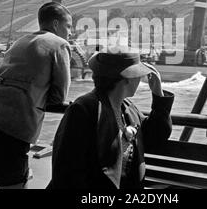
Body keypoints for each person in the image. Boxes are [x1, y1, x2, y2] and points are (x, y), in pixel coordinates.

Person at [47, 46, 174, 189]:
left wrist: (158, 95)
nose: (140, 79)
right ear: (127, 78)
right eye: (138, 74)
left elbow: (156, 136)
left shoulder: (127, 108)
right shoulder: (83, 109)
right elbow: (67, 173)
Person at [0, 2, 72, 188]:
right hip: (13, 126)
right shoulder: (60, 45)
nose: (70, 32)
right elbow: (59, 96)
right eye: (68, 26)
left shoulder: (19, 42)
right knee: (14, 182)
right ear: (55, 24)